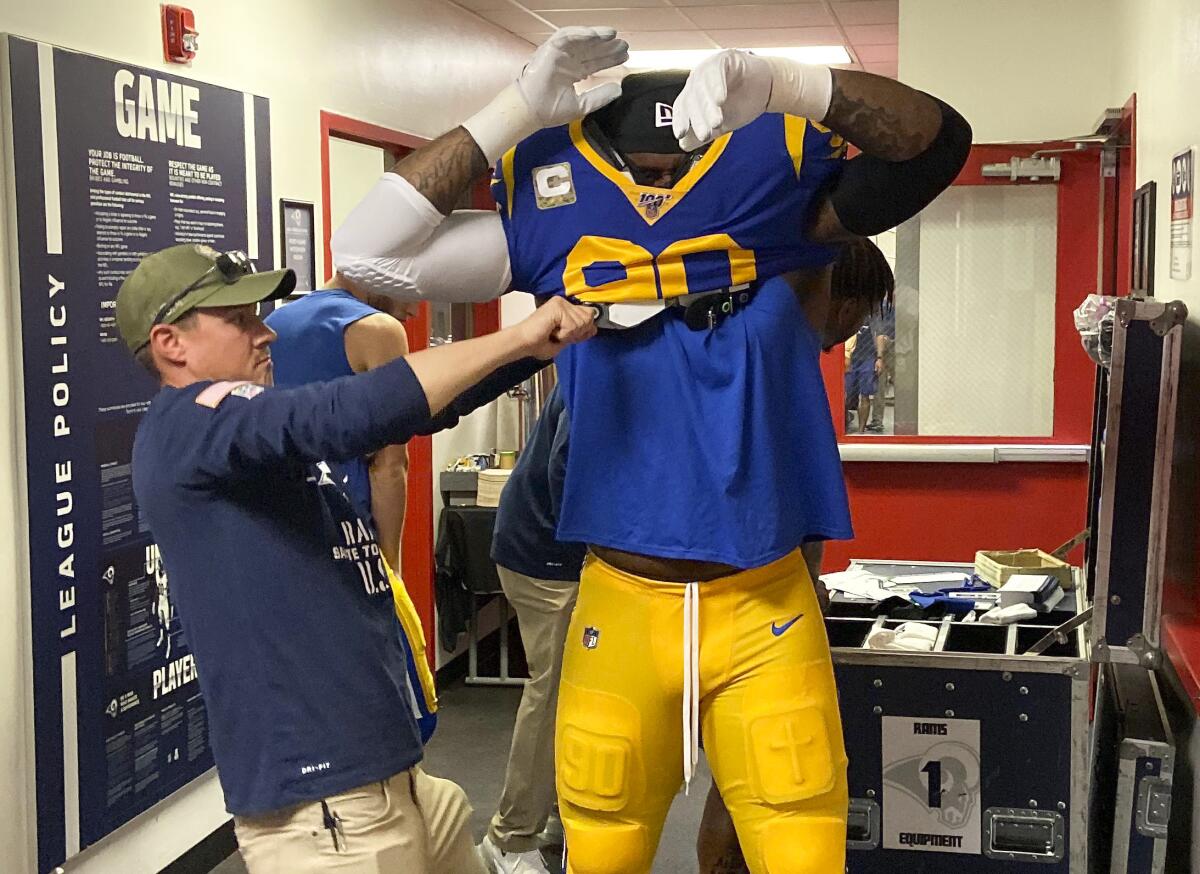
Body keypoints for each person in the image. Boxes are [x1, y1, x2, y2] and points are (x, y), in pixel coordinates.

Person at [330, 38, 969, 874]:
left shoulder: (793, 216)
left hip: (762, 603)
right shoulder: (556, 219)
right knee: (603, 848)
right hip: (623, 602)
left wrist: (787, 83)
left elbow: (935, 141)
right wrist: (515, 109)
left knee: (800, 844)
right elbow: (369, 255)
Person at [695, 238, 895, 874]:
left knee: (747, 784)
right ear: (837, 296)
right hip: (744, 609)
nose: (853, 335)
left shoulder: (785, 360)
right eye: (858, 314)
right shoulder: (766, 362)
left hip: (767, 601)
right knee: (745, 783)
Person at [481, 383, 585, 873]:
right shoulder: (611, 360)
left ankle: (563, 815)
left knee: (584, 690)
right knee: (553, 695)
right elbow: (566, 467)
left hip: (552, 545)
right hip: (546, 555)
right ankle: (510, 839)